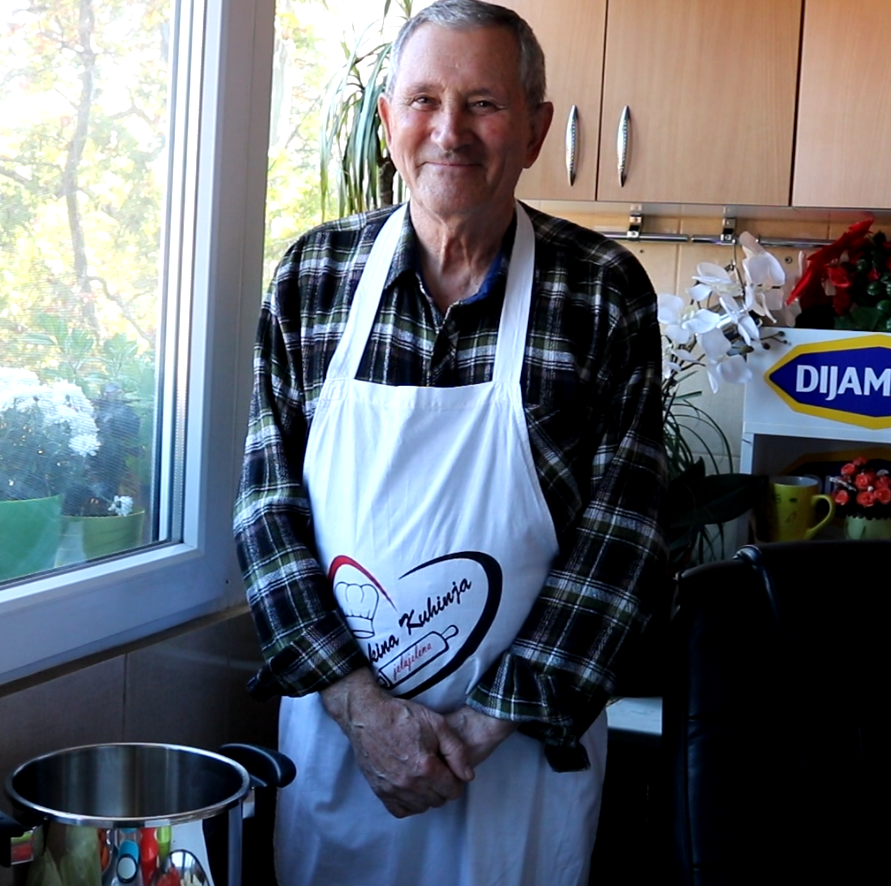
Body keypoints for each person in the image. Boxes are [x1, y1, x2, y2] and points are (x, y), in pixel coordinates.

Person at [233, 1, 666, 883]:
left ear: (535, 129)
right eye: (423, 100)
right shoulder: (313, 277)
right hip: (341, 747)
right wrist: (363, 711)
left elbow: (624, 536)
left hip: (518, 759)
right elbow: (266, 509)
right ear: (386, 120)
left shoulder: (600, 290)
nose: (448, 131)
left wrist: (477, 727)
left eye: (484, 103)